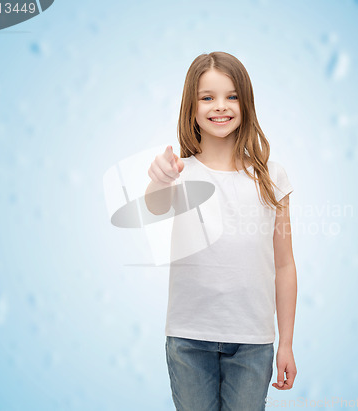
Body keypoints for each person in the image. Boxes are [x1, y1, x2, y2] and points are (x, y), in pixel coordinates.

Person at [145, 51, 297, 411]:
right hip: (188, 339)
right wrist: (158, 178)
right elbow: (153, 206)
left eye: (231, 96)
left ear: (246, 102)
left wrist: (286, 343)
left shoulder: (271, 177)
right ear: (192, 107)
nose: (220, 107)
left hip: (253, 341)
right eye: (207, 97)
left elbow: (285, 265)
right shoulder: (178, 172)